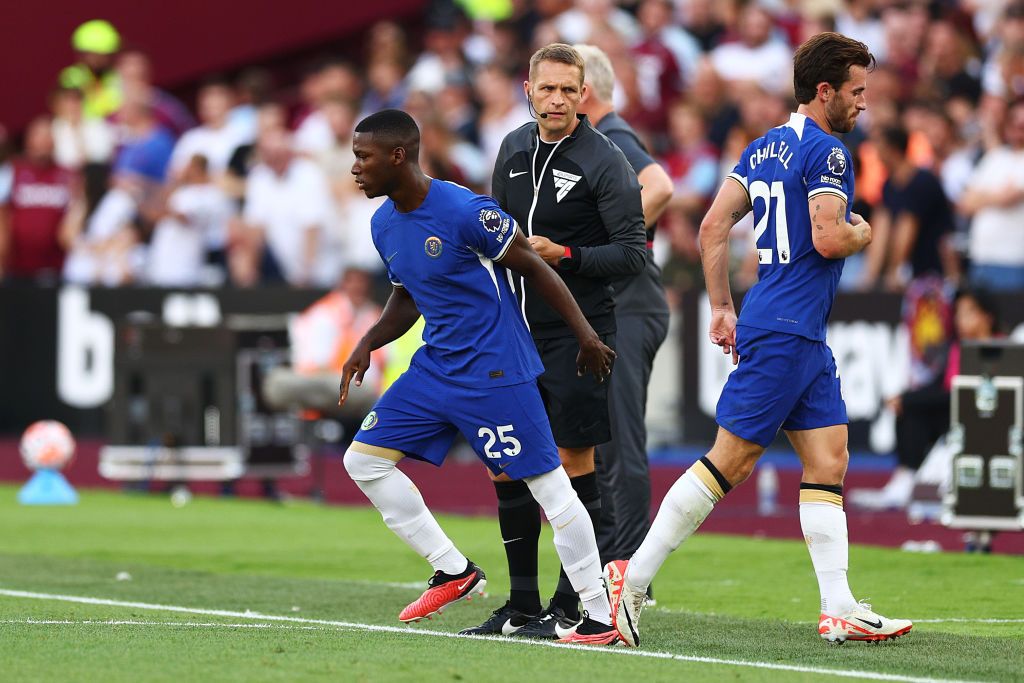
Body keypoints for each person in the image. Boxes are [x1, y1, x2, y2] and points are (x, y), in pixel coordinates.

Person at [604, 32, 913, 647]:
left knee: (828, 460)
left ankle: (839, 606)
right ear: (824, 91)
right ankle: (630, 581)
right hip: (787, 329)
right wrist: (864, 232)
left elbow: (714, 225)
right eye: (856, 93)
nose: (863, 105)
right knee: (731, 460)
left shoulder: (765, 146)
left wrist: (722, 305)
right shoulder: (826, 152)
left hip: (789, 326)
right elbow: (829, 238)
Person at [339, 109, 619, 645]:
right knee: (363, 462)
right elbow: (407, 295)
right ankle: (454, 570)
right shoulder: (383, 223)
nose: (355, 168)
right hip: (436, 368)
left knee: (552, 491)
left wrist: (585, 335)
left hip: (496, 371)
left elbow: (534, 267)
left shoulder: (467, 211)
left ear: (399, 156)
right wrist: (368, 341)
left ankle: (600, 615)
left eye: (363, 156)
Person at [461, 43, 646, 639]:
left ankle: (570, 607)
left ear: (584, 92)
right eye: (549, 89)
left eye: (570, 89)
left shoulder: (606, 160)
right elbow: (492, 229)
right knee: (505, 463)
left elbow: (635, 255)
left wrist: (565, 253)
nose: (559, 99)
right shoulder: (513, 148)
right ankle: (520, 604)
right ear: (529, 90)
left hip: (579, 333)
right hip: (512, 332)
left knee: (570, 463)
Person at [573, 43, 673, 581]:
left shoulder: (610, 137)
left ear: (583, 91)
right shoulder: (599, 141)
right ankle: (614, 559)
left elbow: (659, 185)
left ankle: (630, 568)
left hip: (629, 304)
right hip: (621, 307)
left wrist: (611, 242)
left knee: (619, 437)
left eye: (562, 87)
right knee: (604, 439)